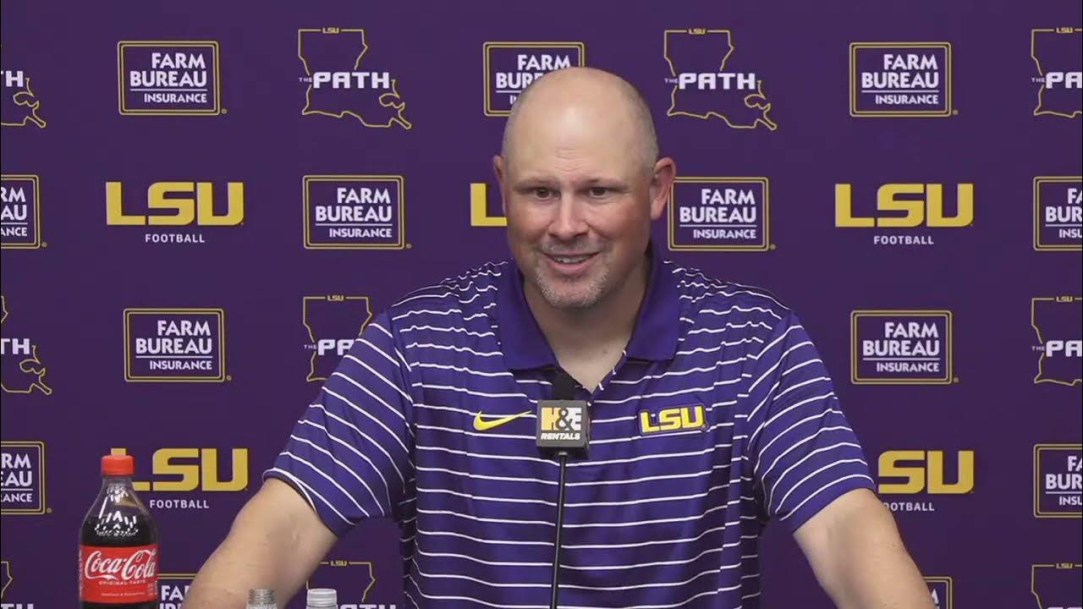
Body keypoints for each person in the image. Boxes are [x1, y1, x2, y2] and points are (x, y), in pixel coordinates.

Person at [184, 67, 934, 609]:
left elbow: (845, 529)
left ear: (658, 189)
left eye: (598, 191)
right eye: (540, 192)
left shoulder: (752, 344)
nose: (566, 225)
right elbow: (283, 523)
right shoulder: (415, 345)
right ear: (501, 188)